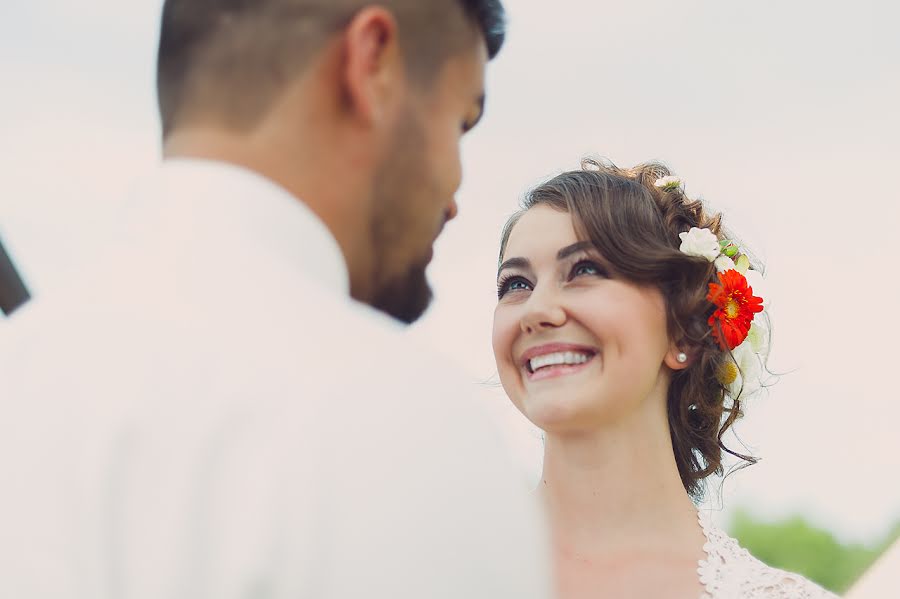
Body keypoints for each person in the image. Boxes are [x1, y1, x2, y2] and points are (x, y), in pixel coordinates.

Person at [0, 1, 551, 598]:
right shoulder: (411, 438)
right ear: (372, 62)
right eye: (460, 122)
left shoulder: (21, 375)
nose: (454, 194)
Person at [491, 159, 837, 599]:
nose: (536, 310)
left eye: (585, 271)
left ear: (685, 328)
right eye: (515, 284)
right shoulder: (419, 566)